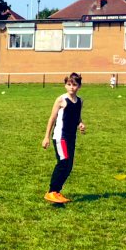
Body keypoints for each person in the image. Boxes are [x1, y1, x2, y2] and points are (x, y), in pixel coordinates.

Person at [42, 72, 86, 204]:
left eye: (74, 85)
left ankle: (57, 192)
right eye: (69, 84)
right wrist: (46, 137)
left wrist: (81, 124)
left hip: (71, 137)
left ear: (79, 86)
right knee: (63, 162)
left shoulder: (80, 101)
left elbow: (76, 116)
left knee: (68, 166)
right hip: (60, 136)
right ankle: (51, 192)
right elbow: (52, 118)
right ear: (65, 85)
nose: (71, 87)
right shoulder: (61, 99)